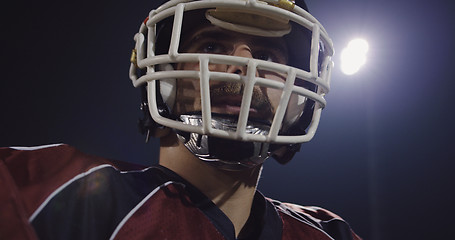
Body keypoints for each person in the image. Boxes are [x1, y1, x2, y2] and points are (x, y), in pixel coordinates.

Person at [0, 0, 361, 239]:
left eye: (266, 53)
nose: (243, 66)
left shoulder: (329, 233)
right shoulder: (55, 192)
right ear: (163, 79)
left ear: (297, 97)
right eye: (210, 47)